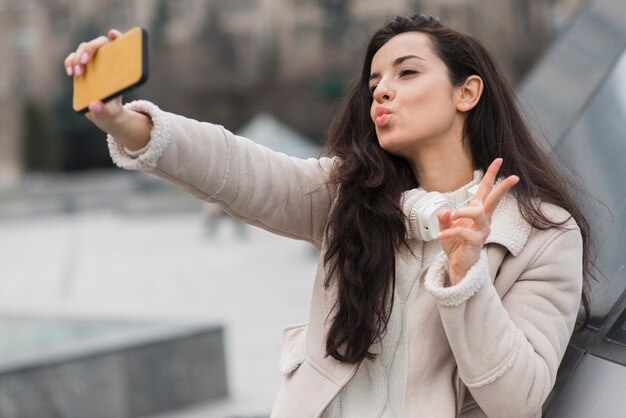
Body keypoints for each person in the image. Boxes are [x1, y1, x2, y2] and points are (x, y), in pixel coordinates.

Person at [65, 13, 592, 418]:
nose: (381, 90)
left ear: (467, 91)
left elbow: (515, 398)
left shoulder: (543, 233)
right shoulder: (350, 197)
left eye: (407, 72)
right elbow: (235, 166)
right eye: (374, 82)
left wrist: (465, 277)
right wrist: (122, 121)